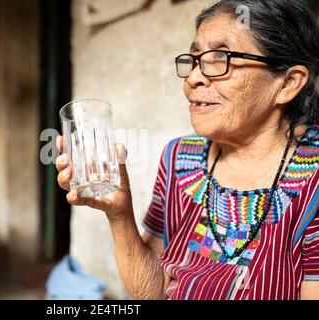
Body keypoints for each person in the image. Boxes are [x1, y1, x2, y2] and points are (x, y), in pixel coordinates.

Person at [56, 0, 319, 300]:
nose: (193, 79)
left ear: (287, 83)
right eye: (195, 60)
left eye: (221, 58)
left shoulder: (313, 178)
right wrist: (119, 215)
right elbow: (152, 291)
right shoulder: (180, 158)